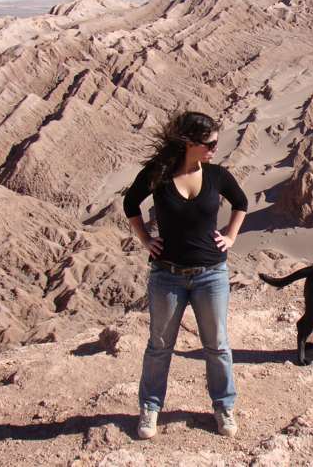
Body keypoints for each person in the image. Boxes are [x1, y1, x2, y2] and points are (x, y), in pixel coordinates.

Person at [123, 111, 248, 439]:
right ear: (190, 143)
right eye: (210, 144)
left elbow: (241, 202)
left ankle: (224, 406)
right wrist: (145, 239)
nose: (215, 149)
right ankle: (150, 408)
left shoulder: (217, 175)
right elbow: (130, 203)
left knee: (217, 345)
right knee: (159, 346)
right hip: (167, 275)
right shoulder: (159, 174)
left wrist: (230, 237)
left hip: (211, 274)